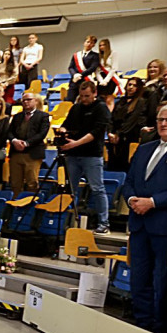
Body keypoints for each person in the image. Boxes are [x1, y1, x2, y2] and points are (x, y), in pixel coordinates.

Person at [121, 105, 167, 333]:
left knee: (161, 281)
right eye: (160, 119)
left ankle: (159, 328)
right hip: (139, 224)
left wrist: (153, 202)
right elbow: (128, 181)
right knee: (139, 278)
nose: (163, 123)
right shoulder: (145, 148)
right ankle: (141, 323)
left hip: (163, 225)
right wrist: (131, 201)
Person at [58, 80, 111, 234]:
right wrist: (62, 131)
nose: (84, 99)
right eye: (81, 96)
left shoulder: (101, 108)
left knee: (97, 188)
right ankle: (67, 221)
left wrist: (75, 144)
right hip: (73, 156)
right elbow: (66, 123)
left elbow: (96, 133)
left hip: (91, 155)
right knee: (70, 189)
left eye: (87, 96)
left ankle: (104, 222)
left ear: (94, 94)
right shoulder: (76, 108)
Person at [7, 92, 51, 196]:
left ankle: (30, 205)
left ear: (35, 101)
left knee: (32, 182)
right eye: (24, 100)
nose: (26, 102)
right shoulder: (17, 116)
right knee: (15, 183)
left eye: (29, 100)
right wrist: (14, 141)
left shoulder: (43, 116)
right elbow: (9, 132)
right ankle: (16, 204)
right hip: (16, 153)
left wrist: (26, 143)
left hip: (33, 154)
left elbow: (42, 134)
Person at [108, 77, 149, 172]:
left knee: (124, 166)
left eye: (134, 85)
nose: (131, 87)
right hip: (114, 137)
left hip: (127, 136)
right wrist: (110, 132)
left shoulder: (140, 102)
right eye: (129, 84)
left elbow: (132, 120)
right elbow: (111, 118)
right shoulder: (121, 101)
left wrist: (118, 134)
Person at [67, 35, 99, 104]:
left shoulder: (95, 56)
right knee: (69, 101)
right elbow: (70, 67)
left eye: (91, 43)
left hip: (86, 81)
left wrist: (80, 75)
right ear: (84, 43)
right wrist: (75, 75)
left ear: (93, 45)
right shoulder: (76, 55)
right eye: (87, 42)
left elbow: (93, 68)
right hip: (75, 81)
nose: (89, 44)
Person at [95, 38, 121, 109]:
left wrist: (106, 80)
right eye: (100, 45)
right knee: (100, 98)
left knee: (109, 99)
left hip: (111, 77)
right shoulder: (98, 56)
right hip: (101, 77)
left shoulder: (113, 53)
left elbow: (114, 68)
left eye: (103, 45)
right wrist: (101, 81)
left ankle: (109, 116)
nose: (101, 47)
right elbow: (97, 70)